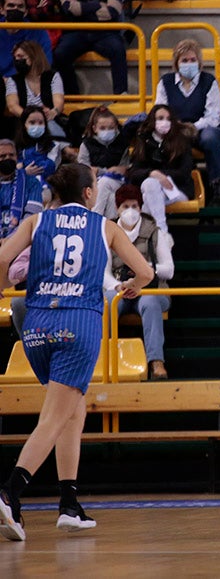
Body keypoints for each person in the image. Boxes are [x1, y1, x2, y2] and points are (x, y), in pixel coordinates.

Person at [0, 162, 153, 542]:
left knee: (72, 410)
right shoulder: (105, 226)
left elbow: (3, 258)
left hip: (35, 325)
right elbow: (146, 272)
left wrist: (4, 287)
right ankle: (10, 492)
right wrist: (132, 285)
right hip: (78, 323)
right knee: (54, 418)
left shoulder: (36, 222)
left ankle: (69, 503)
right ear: (88, 193)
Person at [105, 183, 173, 381]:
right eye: (125, 206)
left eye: (135, 206)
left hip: (150, 289)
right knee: (107, 301)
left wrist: (145, 271)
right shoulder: (107, 231)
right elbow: (103, 273)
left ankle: (156, 362)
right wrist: (118, 286)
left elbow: (169, 269)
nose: (130, 211)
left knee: (150, 302)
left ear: (141, 207)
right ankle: (103, 358)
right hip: (119, 289)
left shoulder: (154, 231)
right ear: (117, 209)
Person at [154, 39, 220, 203]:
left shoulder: (209, 81)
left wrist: (192, 127)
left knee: (210, 138)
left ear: (199, 62)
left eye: (193, 60)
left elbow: (213, 116)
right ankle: (175, 187)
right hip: (175, 129)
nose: (189, 63)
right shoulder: (165, 83)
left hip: (205, 128)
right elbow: (160, 111)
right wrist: (178, 128)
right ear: (176, 63)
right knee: (171, 141)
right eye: (184, 60)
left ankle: (218, 185)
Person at [54, 0, 127, 96]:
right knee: (60, 54)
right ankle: (72, 95)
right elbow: (68, 8)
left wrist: (80, 10)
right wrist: (97, 5)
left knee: (118, 49)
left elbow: (112, 11)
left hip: (105, 33)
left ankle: (121, 95)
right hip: (76, 33)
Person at [126, 105, 194, 232]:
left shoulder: (182, 141)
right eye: (160, 118)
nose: (165, 122)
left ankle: (158, 232)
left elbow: (184, 174)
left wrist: (162, 176)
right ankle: (160, 236)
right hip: (153, 191)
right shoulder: (144, 141)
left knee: (148, 191)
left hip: (177, 190)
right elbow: (133, 173)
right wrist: (153, 173)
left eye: (168, 119)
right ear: (152, 120)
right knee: (150, 187)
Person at [76, 105, 129, 219]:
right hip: (92, 184)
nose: (107, 131)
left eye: (110, 128)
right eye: (103, 128)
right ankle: (108, 224)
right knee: (110, 197)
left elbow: (123, 169)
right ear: (95, 128)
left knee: (105, 183)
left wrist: (99, 171)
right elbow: (84, 170)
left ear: (116, 128)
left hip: (117, 183)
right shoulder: (87, 144)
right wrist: (104, 171)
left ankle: (93, 219)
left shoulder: (122, 144)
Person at [6, 40, 65, 141]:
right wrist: (31, 117)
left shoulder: (53, 76)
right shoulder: (13, 80)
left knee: (51, 126)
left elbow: (59, 102)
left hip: (48, 119)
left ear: (33, 56)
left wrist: (53, 112)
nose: (17, 60)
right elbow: (12, 106)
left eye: (20, 56)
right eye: (15, 57)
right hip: (23, 121)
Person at [0, 0, 52, 79]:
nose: (15, 9)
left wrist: (13, 82)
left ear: (26, 12)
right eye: (11, 5)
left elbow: (45, 63)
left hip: (27, 83)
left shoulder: (38, 32)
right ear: (1, 10)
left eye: (20, 6)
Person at [0, 137, 43, 242]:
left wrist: (9, 241)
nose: (7, 158)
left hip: (19, 242)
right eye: (2, 156)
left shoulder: (32, 183)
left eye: (11, 155)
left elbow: (31, 218)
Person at [16, 105, 66, 184]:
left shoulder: (53, 145)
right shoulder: (16, 146)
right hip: (20, 184)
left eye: (40, 122)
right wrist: (24, 172)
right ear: (24, 125)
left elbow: (49, 167)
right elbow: (11, 169)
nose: (37, 126)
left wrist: (22, 167)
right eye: (32, 122)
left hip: (44, 185)